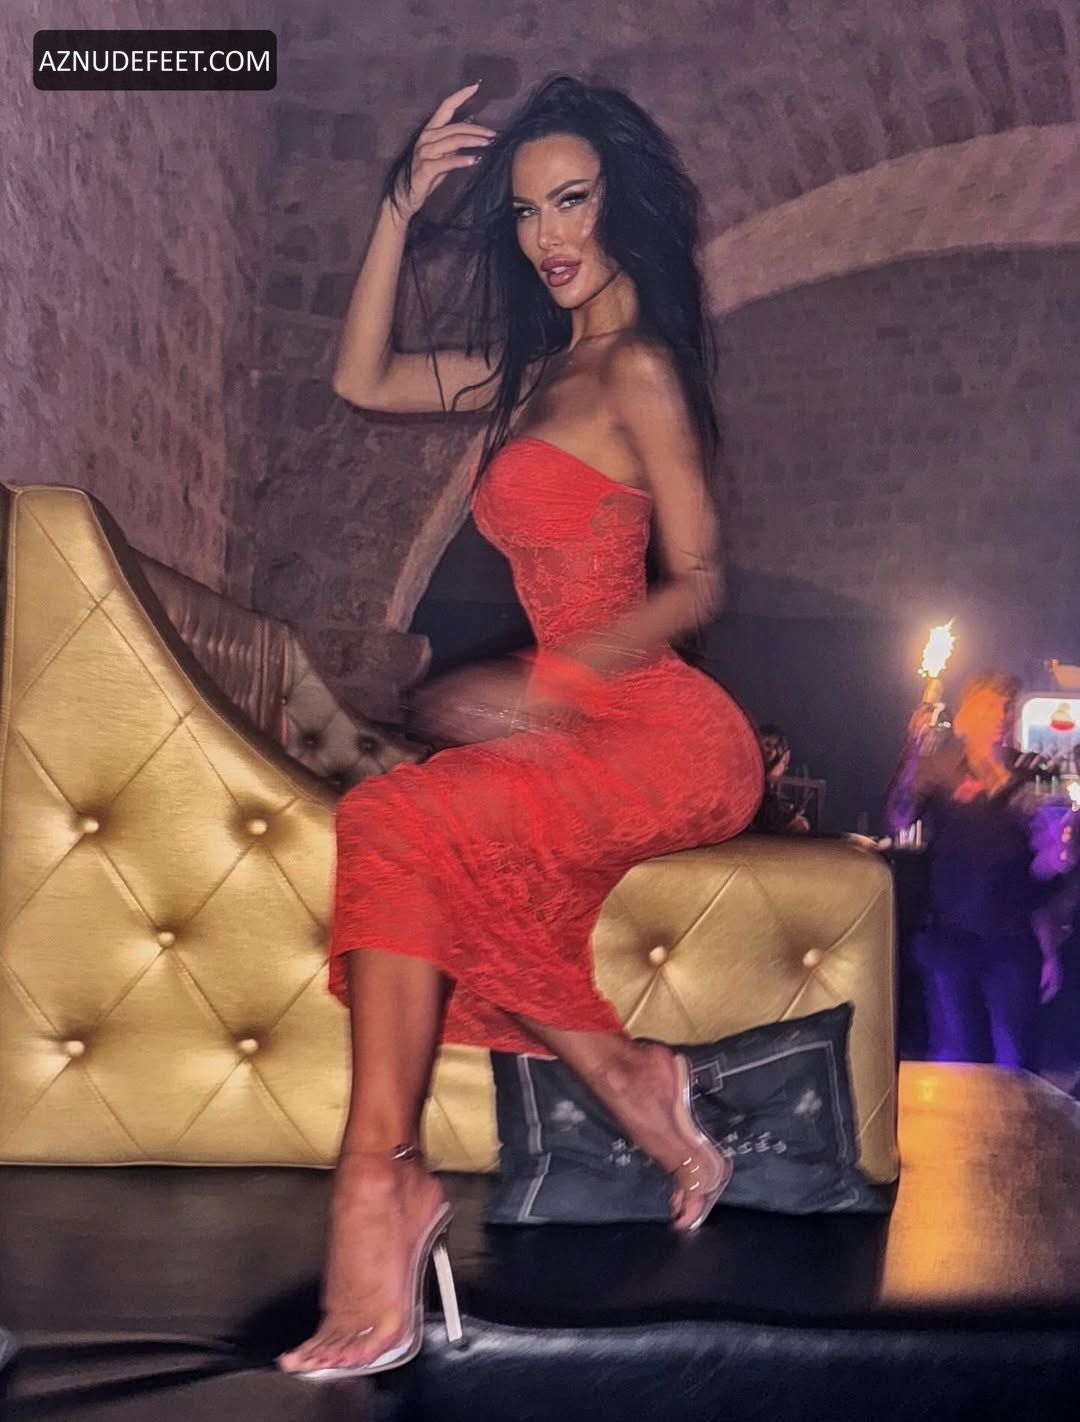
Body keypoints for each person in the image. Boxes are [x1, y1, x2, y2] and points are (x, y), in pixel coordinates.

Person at [276, 74, 765, 1381]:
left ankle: (392, 1179)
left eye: (573, 200)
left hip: (662, 729)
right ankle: (574, 1098)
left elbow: (699, 580)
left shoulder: (640, 366)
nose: (550, 235)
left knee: (401, 815)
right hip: (575, 729)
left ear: (622, 204)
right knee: (405, 820)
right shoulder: (533, 370)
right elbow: (361, 375)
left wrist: (552, 684)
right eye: (527, 211)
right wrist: (398, 207)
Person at [885, 670, 1078, 1073]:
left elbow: (1052, 863)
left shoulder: (1032, 770)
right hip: (949, 938)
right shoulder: (939, 769)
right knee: (956, 1058)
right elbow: (898, 818)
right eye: (991, 705)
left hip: (1012, 942)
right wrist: (912, 754)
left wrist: (1049, 948)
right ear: (965, 716)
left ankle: (1013, 1118)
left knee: (1015, 1063)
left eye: (1007, 706)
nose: (1003, 714)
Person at [753, 723, 811, 833]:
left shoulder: (790, 772)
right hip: (754, 818)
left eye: (776, 747)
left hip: (779, 822)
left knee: (801, 825)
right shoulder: (749, 768)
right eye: (767, 744)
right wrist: (771, 778)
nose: (771, 751)